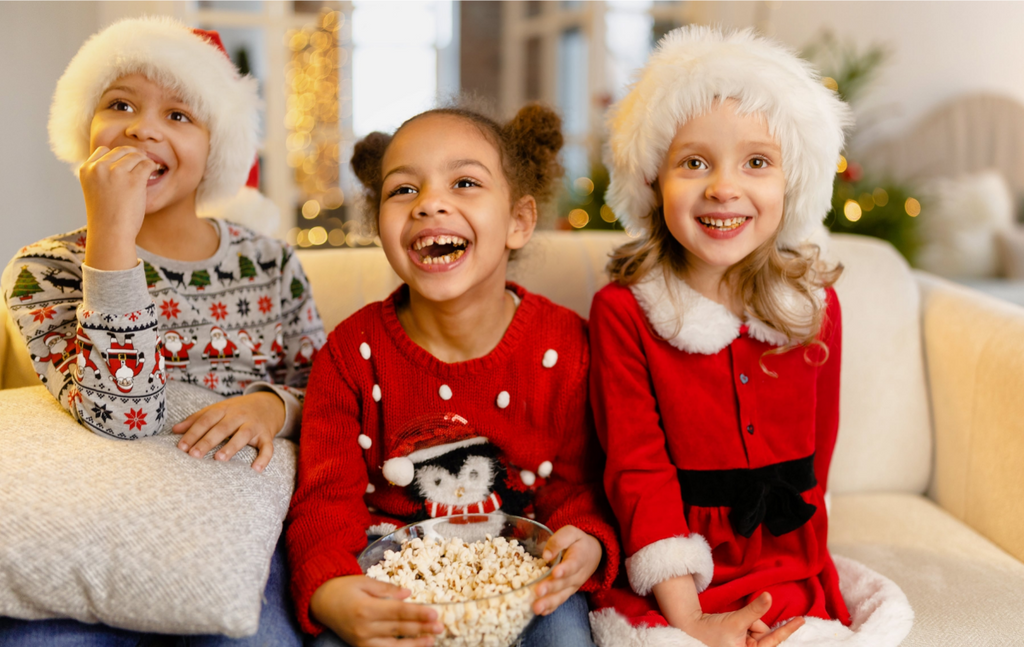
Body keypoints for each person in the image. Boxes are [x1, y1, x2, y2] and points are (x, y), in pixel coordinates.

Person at [0, 16, 325, 646]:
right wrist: (113, 240)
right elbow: (119, 411)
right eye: (119, 104)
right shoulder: (42, 271)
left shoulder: (271, 264)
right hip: (89, 542)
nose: (142, 127)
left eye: (180, 116)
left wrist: (271, 405)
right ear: (84, 129)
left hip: (235, 545)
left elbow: (332, 400)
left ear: (217, 150)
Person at [586, 26, 908, 647]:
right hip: (676, 574)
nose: (723, 187)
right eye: (694, 162)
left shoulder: (816, 309)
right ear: (653, 181)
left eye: (756, 162)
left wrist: (803, 578)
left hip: (790, 566)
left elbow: (819, 455)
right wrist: (689, 617)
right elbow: (637, 471)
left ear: (791, 186)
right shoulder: (623, 313)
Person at [286, 104, 620, 647]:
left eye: (464, 182)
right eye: (403, 190)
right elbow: (324, 499)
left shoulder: (567, 349)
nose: (430, 204)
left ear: (519, 221)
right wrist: (331, 588)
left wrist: (585, 541)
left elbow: (577, 485)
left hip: (525, 577)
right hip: (392, 580)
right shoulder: (350, 356)